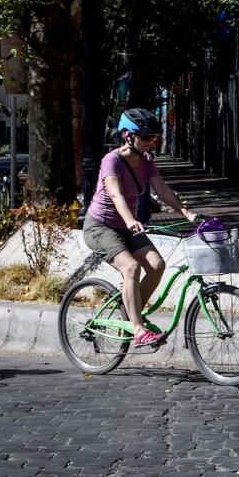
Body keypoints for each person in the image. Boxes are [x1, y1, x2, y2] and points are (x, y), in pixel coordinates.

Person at [82, 108, 198, 347]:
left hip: (126, 227)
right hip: (100, 227)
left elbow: (162, 189)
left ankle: (133, 312)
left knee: (157, 265)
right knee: (132, 268)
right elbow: (115, 194)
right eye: (145, 137)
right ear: (127, 136)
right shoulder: (111, 160)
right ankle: (138, 330)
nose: (150, 142)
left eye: (153, 137)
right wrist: (130, 220)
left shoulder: (146, 161)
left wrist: (187, 213)